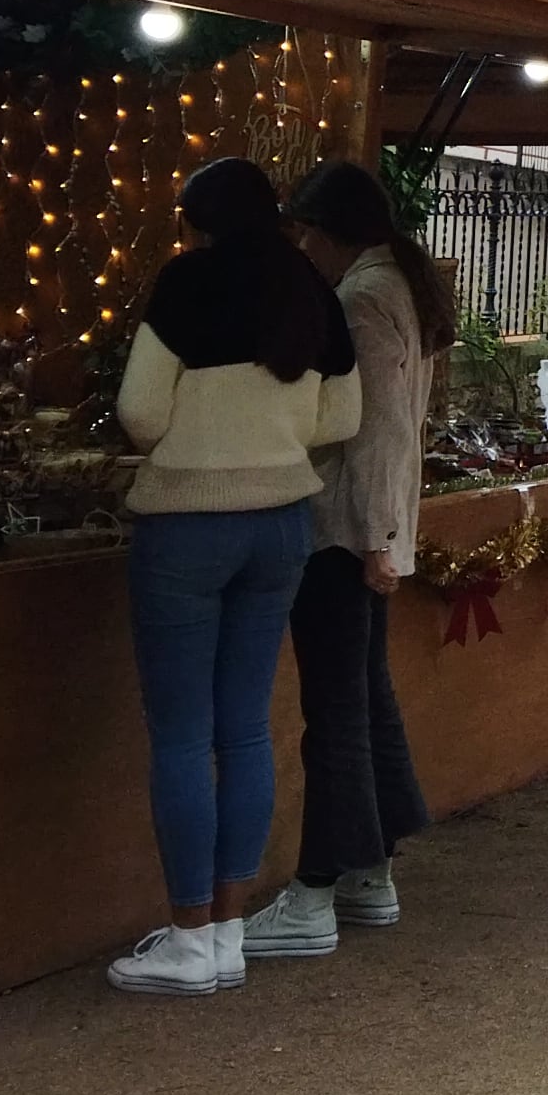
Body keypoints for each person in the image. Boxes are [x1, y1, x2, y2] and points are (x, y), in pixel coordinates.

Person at [107, 157, 357, 997]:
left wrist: (198, 439)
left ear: (198, 221)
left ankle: (187, 940)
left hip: (187, 527)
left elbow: (139, 410)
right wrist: (276, 436)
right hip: (282, 522)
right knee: (244, 727)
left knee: (181, 734)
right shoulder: (310, 287)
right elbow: (345, 414)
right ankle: (229, 933)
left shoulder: (186, 284)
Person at [243, 163, 443, 962]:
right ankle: (369, 871)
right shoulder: (397, 284)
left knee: (336, 711)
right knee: (363, 698)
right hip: (367, 527)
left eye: (304, 234)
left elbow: (377, 430)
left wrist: (376, 539)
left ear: (325, 233)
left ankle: (317, 887)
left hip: (342, 530)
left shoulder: (361, 298)